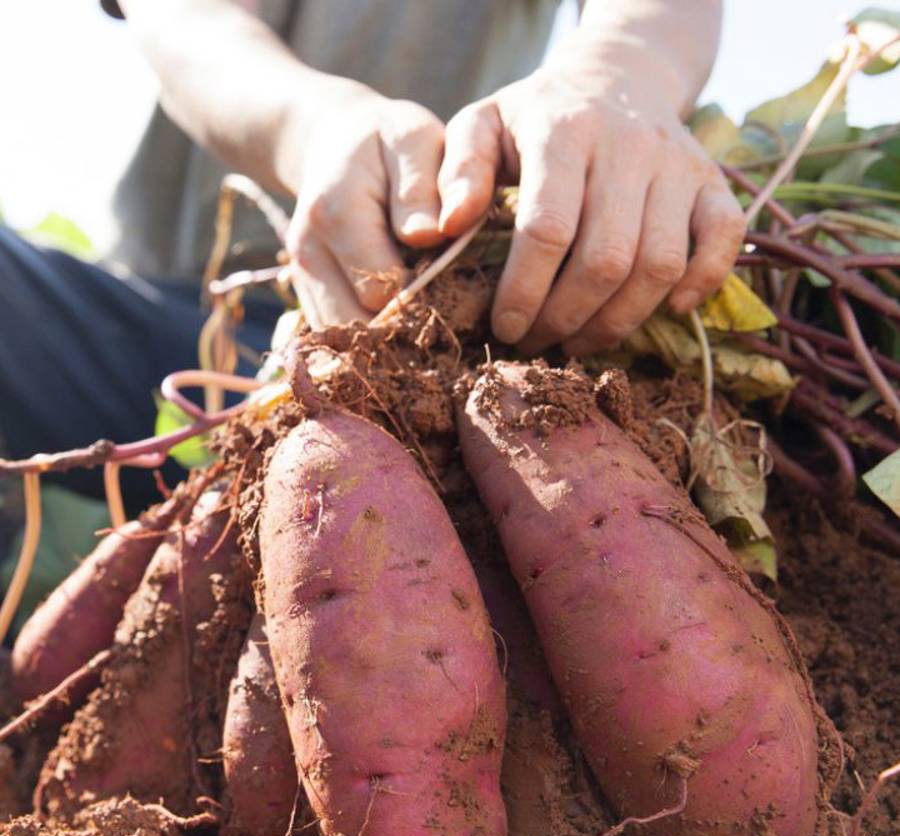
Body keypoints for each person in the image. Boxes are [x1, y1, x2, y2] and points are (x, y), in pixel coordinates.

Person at [0, 0, 743, 512]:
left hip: (434, 349)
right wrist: (313, 127)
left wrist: (616, 77)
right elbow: (186, 19)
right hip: (150, 335)